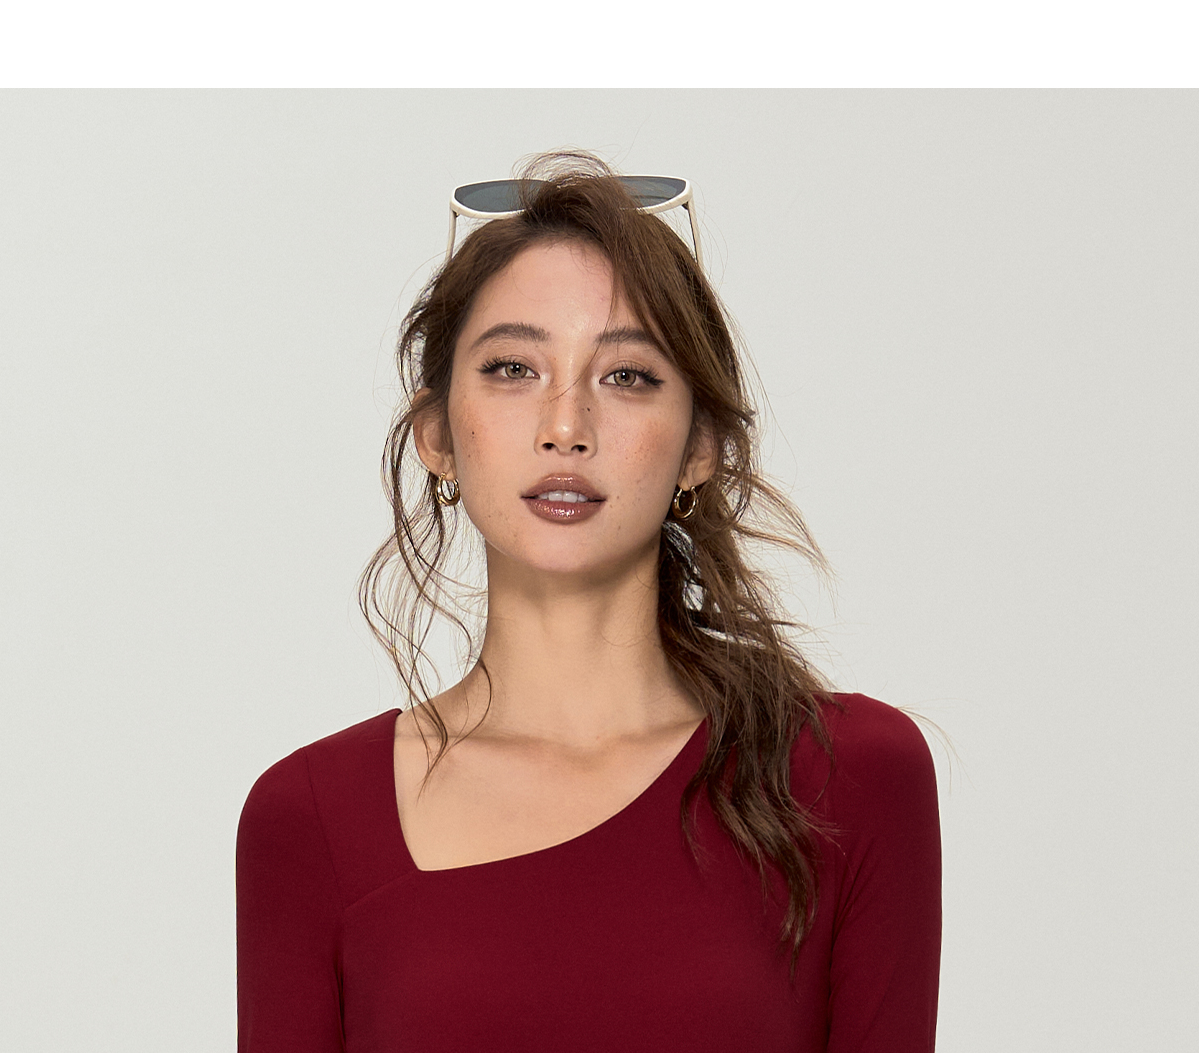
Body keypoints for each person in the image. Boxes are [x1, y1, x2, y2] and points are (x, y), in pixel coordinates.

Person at [236, 152, 942, 1051]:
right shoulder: (309, 818)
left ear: (700, 447)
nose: (565, 426)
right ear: (436, 435)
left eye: (627, 376)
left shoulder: (847, 777)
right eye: (512, 367)